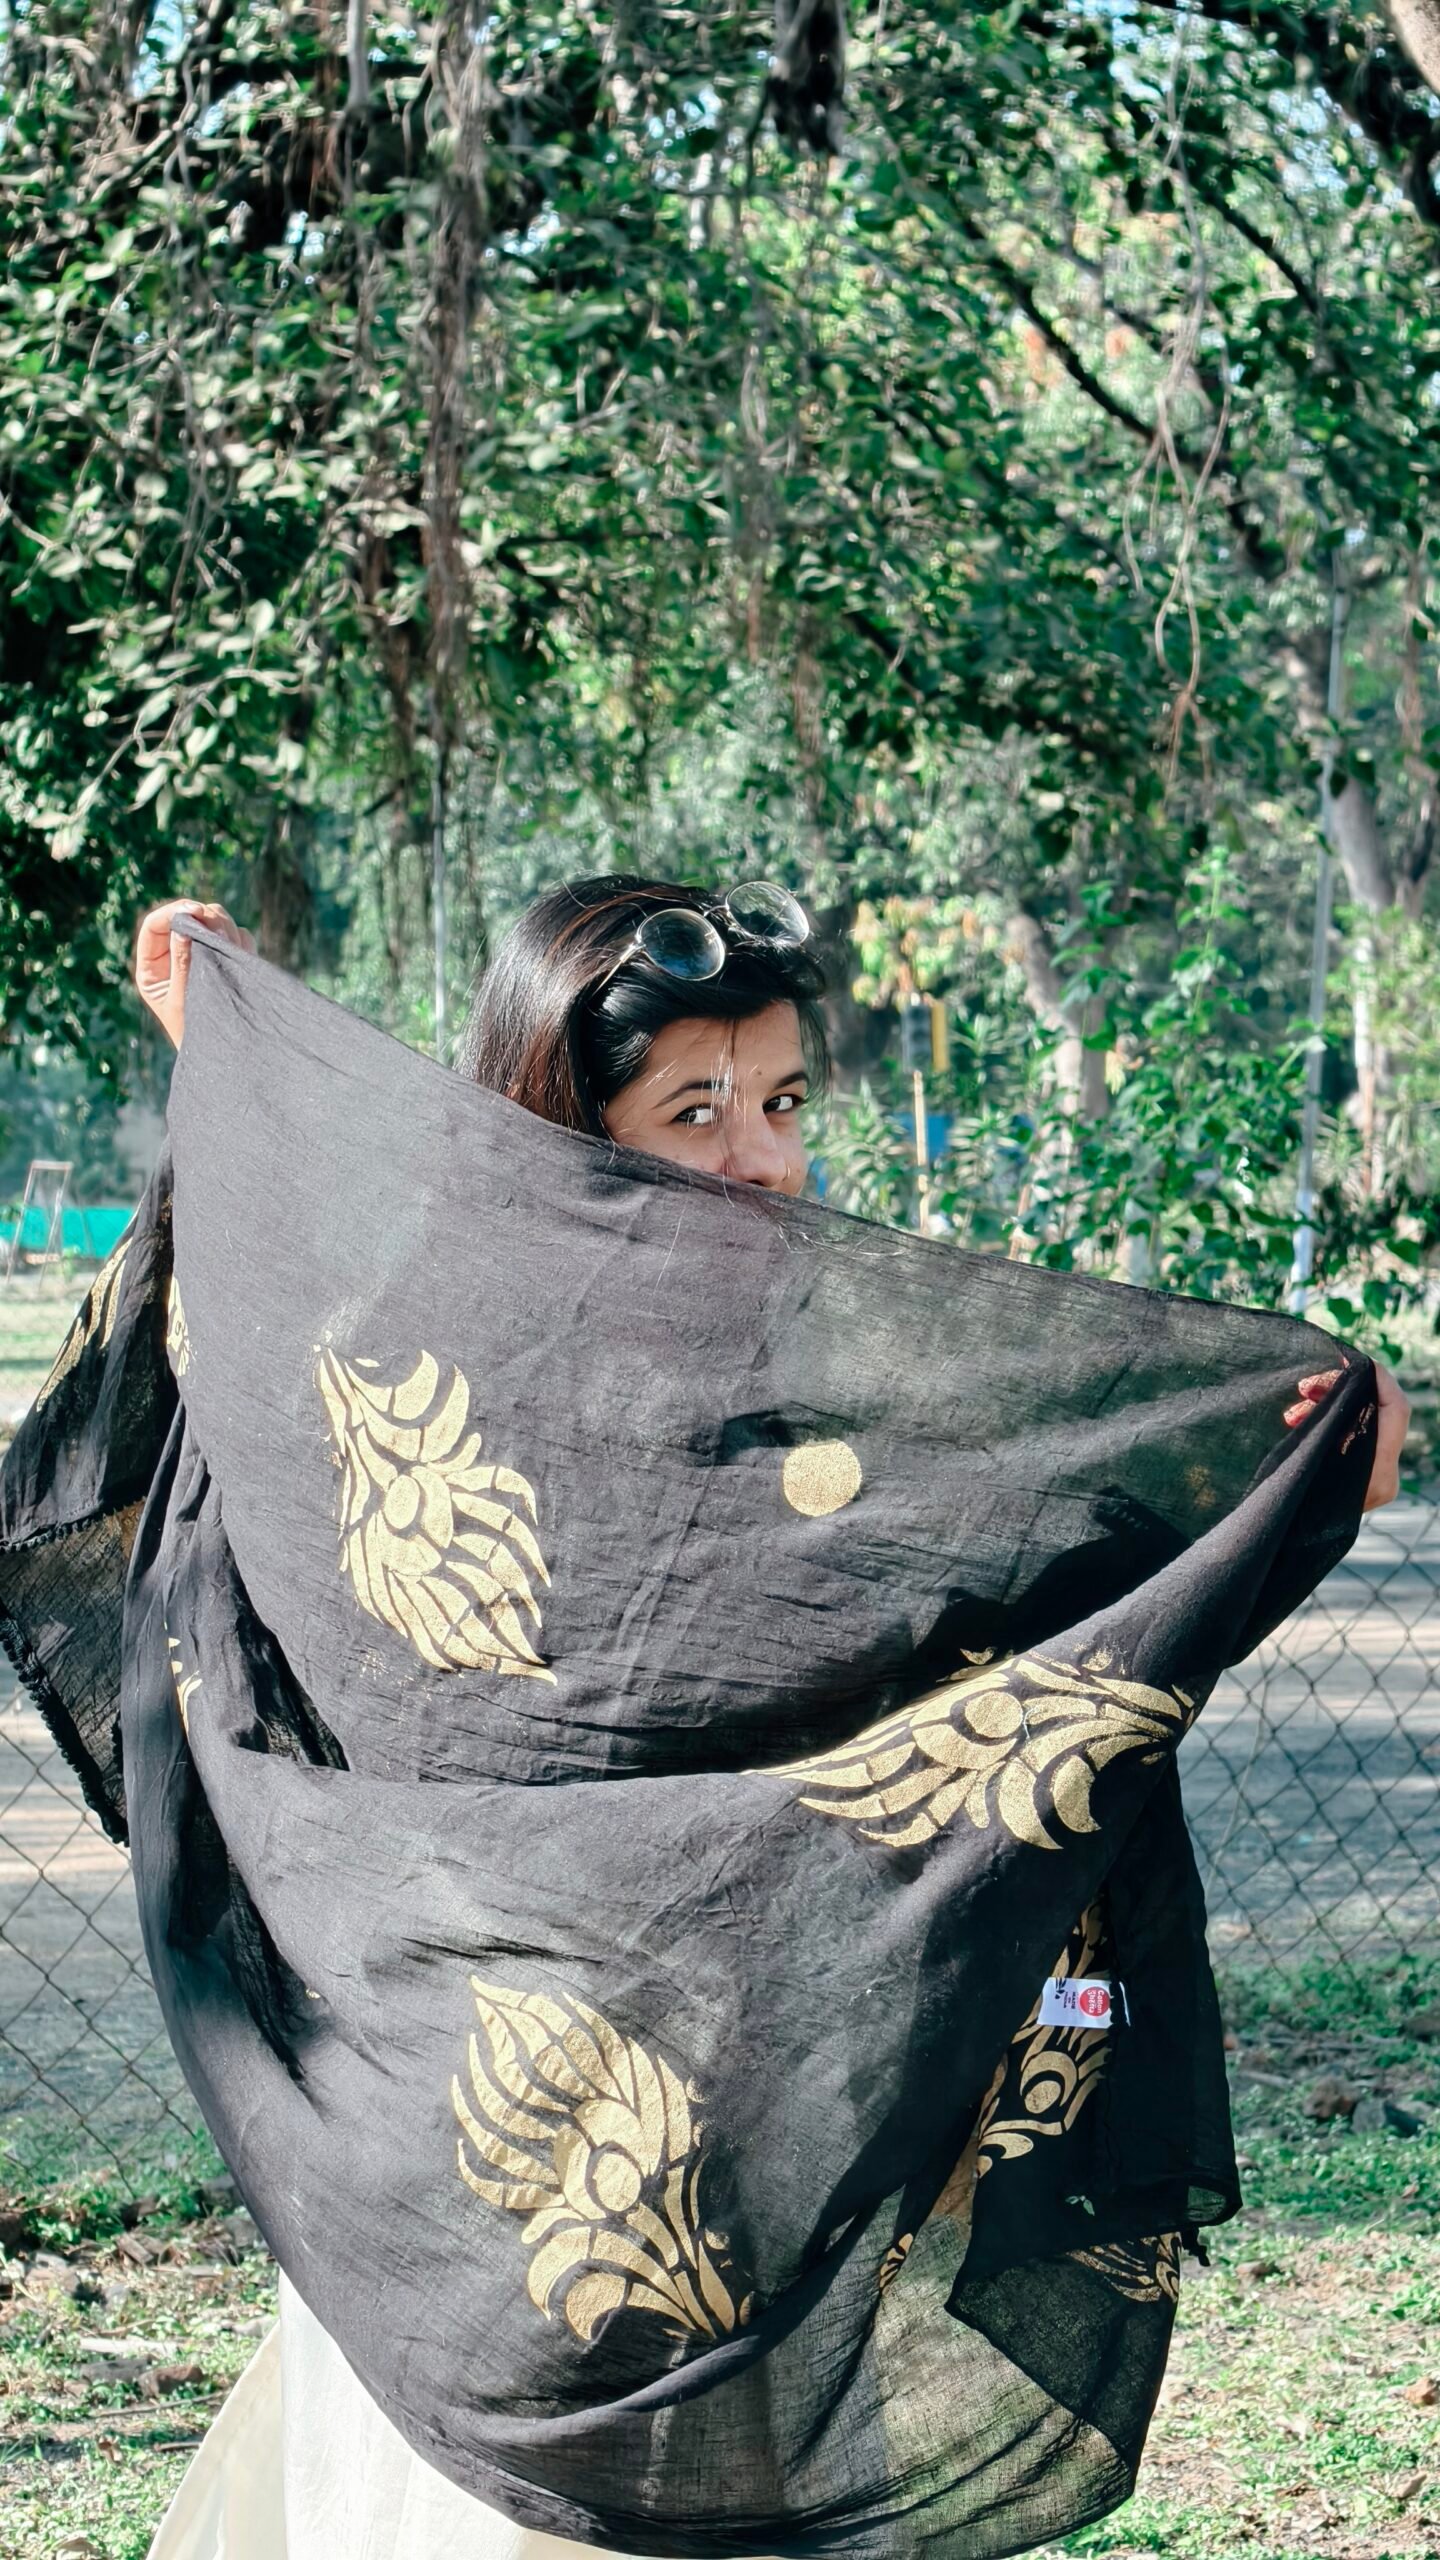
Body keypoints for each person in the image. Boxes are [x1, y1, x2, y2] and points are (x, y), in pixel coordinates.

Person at [127, 876, 1406, 2560]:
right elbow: (251, 1426)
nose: (760, 1158)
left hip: (737, 2136)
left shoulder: (808, 1370)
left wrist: (1271, 1476)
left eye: (784, 1102)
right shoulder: (415, 1377)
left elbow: (991, 1580)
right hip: (487, 2149)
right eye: (694, 1112)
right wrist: (220, 1052)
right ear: (555, 1132)